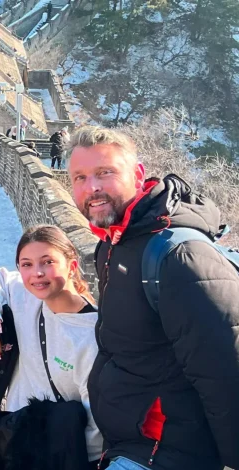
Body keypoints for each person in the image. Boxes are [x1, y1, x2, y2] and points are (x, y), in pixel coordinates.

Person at [67, 126, 239, 470]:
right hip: (130, 445)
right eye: (80, 178)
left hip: (167, 454)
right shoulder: (114, 244)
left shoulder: (179, 257)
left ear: (138, 174)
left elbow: (226, 375)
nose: (92, 188)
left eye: (105, 173)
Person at [0, 225, 102, 468]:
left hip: (56, 453)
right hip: (15, 438)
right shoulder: (26, 295)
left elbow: (96, 424)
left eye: (47, 262)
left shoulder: (91, 334)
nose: (37, 274)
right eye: (27, 264)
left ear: (72, 266)